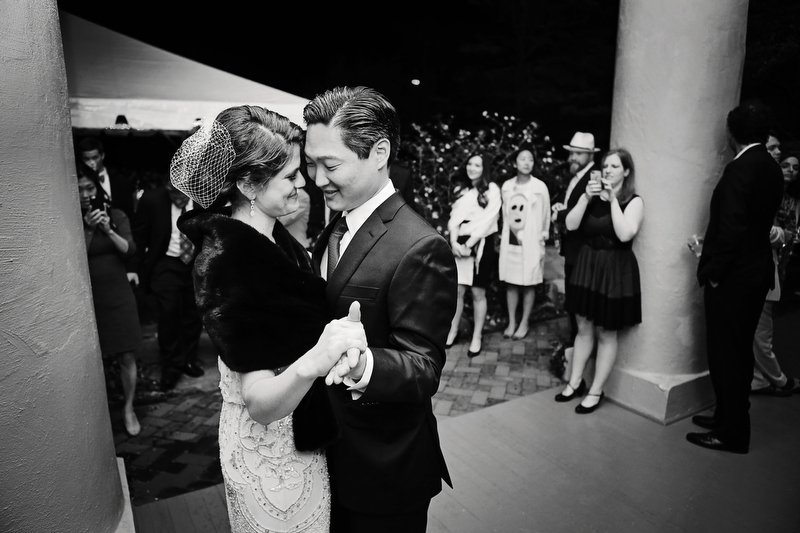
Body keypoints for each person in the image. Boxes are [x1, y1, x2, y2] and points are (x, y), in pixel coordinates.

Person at [171, 106, 367, 533]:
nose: (304, 184)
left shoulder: (270, 239)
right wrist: (317, 358)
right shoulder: (228, 262)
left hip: (299, 435)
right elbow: (259, 402)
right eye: (291, 175)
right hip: (269, 454)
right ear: (248, 184)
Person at [304, 86, 458, 533]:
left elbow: (424, 367)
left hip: (384, 469)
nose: (317, 179)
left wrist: (362, 364)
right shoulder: (336, 224)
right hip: (329, 456)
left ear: (379, 153)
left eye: (331, 165)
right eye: (311, 164)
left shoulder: (420, 245)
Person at [689, 100, 784, 455]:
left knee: (727, 354)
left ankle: (731, 433)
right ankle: (725, 417)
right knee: (739, 352)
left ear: (731, 133)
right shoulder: (771, 167)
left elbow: (730, 230)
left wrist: (714, 274)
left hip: (733, 279)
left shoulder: (739, 169)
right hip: (756, 274)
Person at [555, 148, 644, 414]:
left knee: (606, 332)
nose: (608, 171)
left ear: (626, 171)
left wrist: (613, 200)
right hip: (588, 266)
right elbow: (571, 225)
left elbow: (625, 234)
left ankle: (596, 390)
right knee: (583, 328)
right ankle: (575, 382)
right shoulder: (591, 197)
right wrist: (585, 197)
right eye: (605, 166)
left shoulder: (633, 201)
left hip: (613, 270)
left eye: (614, 167)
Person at [77, 161, 142, 436]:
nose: (85, 194)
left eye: (89, 188)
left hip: (118, 295)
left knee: (126, 354)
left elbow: (129, 250)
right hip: (88, 300)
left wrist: (108, 229)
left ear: (98, 188)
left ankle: (128, 408)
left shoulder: (116, 214)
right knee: (94, 359)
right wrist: (88, 229)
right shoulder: (70, 220)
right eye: (79, 189)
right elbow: (74, 255)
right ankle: (98, 413)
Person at [131, 175, 205, 391]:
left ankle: (188, 359)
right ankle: (171, 367)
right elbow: (140, 235)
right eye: (173, 193)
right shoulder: (152, 200)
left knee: (193, 314)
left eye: (182, 193)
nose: (178, 198)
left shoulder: (203, 199)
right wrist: (133, 268)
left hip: (196, 263)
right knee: (168, 313)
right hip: (166, 263)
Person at [749, 152, 800, 396]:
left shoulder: (793, 201)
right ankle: (776, 379)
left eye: (795, 167)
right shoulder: (767, 193)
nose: (790, 170)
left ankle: (759, 378)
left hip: (778, 264)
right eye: (785, 165)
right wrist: (782, 236)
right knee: (761, 330)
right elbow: (768, 232)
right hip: (762, 264)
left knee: (759, 328)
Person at [445, 152, 501, 356]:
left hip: (481, 244)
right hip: (460, 243)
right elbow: (454, 219)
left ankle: (477, 336)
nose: (472, 168)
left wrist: (469, 244)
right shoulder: (462, 190)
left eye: (477, 165)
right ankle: (453, 331)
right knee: (458, 291)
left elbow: (488, 220)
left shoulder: (492, 190)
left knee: (478, 292)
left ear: (484, 168)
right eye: (470, 164)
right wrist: (454, 243)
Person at [551, 132, 601, 344]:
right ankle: (573, 344)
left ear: (591, 155)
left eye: (579, 154)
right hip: (572, 249)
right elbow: (572, 207)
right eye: (572, 153)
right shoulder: (576, 177)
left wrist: (559, 214)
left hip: (583, 250)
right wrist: (563, 208)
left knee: (578, 300)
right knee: (572, 297)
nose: (573, 157)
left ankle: (576, 344)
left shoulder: (594, 179)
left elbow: (586, 214)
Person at [498, 143, 551, 339]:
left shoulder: (539, 187)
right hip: (511, 241)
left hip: (531, 242)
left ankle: (524, 322)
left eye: (530, 159)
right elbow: (504, 214)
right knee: (511, 283)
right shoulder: (507, 187)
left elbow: (545, 215)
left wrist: (543, 235)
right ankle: (512, 321)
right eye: (522, 159)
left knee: (529, 282)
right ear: (515, 163)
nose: (527, 163)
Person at [77, 137, 136, 222]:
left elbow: (129, 211)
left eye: (95, 157)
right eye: (86, 159)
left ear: (102, 156)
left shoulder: (120, 180)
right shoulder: (77, 180)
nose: (91, 162)